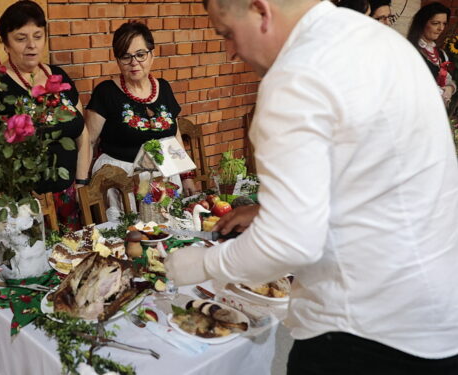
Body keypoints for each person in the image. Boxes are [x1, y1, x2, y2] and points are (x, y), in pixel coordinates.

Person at [166, 1, 458, 374]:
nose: (231, 52)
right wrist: (265, 210)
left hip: (364, 333)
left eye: (227, 34)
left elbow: (288, 243)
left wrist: (201, 263)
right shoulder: (376, 39)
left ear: (260, 10)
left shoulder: (296, 76)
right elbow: (371, 173)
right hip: (438, 317)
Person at [0, 0, 90, 230]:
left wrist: (81, 183)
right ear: (5, 43)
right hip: (21, 205)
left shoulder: (58, 78)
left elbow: (81, 132)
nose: (31, 45)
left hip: (67, 198)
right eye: (21, 38)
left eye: (38, 36)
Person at [85, 21, 197, 219]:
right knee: (130, 237)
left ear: (152, 55)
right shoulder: (106, 92)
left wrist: (186, 175)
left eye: (140, 54)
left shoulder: (163, 88)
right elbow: (89, 142)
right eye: (125, 56)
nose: (134, 62)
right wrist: (84, 186)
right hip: (122, 180)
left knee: (166, 231)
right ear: (117, 60)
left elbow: (175, 134)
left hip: (164, 175)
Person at [408, 2, 456, 107]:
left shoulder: (441, 54)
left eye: (444, 23)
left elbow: (447, 80)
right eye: (435, 23)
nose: (441, 28)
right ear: (422, 23)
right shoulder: (410, 52)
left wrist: (449, 89)